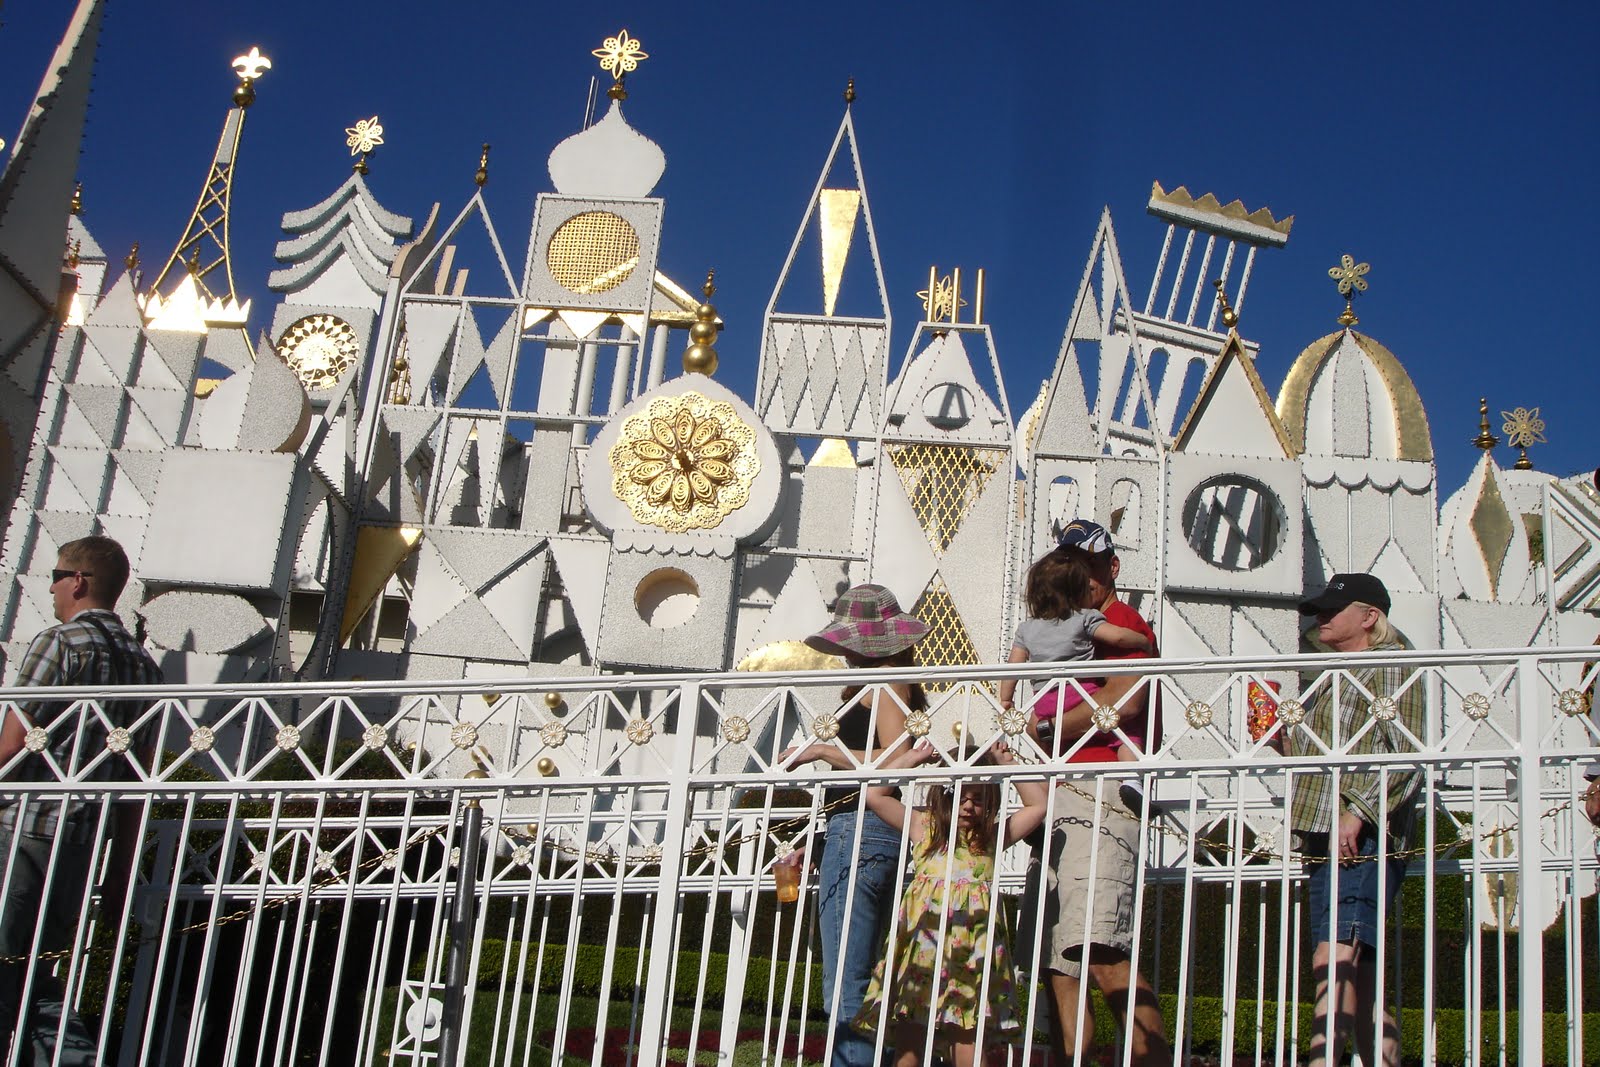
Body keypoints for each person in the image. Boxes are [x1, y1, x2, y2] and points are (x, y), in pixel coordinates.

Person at [0, 536, 162, 1066]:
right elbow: (137, 783)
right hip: (81, 844)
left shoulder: (61, 642)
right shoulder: (145, 668)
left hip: (23, 828)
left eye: (55, 576)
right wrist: (121, 871)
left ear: (78, 581)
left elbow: (12, 742)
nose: (50, 588)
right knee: (35, 972)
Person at [1020, 519, 1169, 1066]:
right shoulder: (1058, 625)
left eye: (1090, 566)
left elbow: (1122, 702)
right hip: (1062, 794)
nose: (1081, 577)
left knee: (1100, 950)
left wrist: (1041, 728)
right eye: (1071, 565)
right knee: (1059, 964)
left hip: (1101, 791)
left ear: (1112, 568)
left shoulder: (1121, 621)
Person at [780, 584, 927, 1067]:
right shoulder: (891, 684)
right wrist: (822, 844)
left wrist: (823, 750)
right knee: (862, 980)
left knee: (848, 986)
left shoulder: (884, 683)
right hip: (864, 834)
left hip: (861, 833)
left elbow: (896, 757)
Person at [1286, 572, 1425, 1067]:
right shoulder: (1336, 672)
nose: (1321, 617)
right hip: (1332, 836)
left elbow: (1406, 753)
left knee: (1334, 960)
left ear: (1370, 617)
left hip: (1362, 838)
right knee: (1360, 980)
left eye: (1333, 609)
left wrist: (1358, 812)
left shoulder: (1390, 663)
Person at [853, 739, 1048, 1067]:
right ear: (945, 795)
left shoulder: (989, 837)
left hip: (971, 955)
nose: (968, 806)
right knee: (911, 1044)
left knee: (968, 1042)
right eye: (961, 796)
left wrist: (1007, 764)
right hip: (924, 950)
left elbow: (1038, 806)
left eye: (978, 799)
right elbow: (875, 795)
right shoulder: (924, 827)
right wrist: (912, 758)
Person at [998, 549, 1153, 767]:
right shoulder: (1085, 618)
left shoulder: (1026, 629)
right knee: (1127, 732)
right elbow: (1118, 637)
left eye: (1091, 564)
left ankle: (1047, 766)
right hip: (1078, 693)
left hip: (1043, 701)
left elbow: (1013, 668)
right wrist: (1143, 641)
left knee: (1045, 746)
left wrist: (1006, 699)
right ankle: (1131, 776)